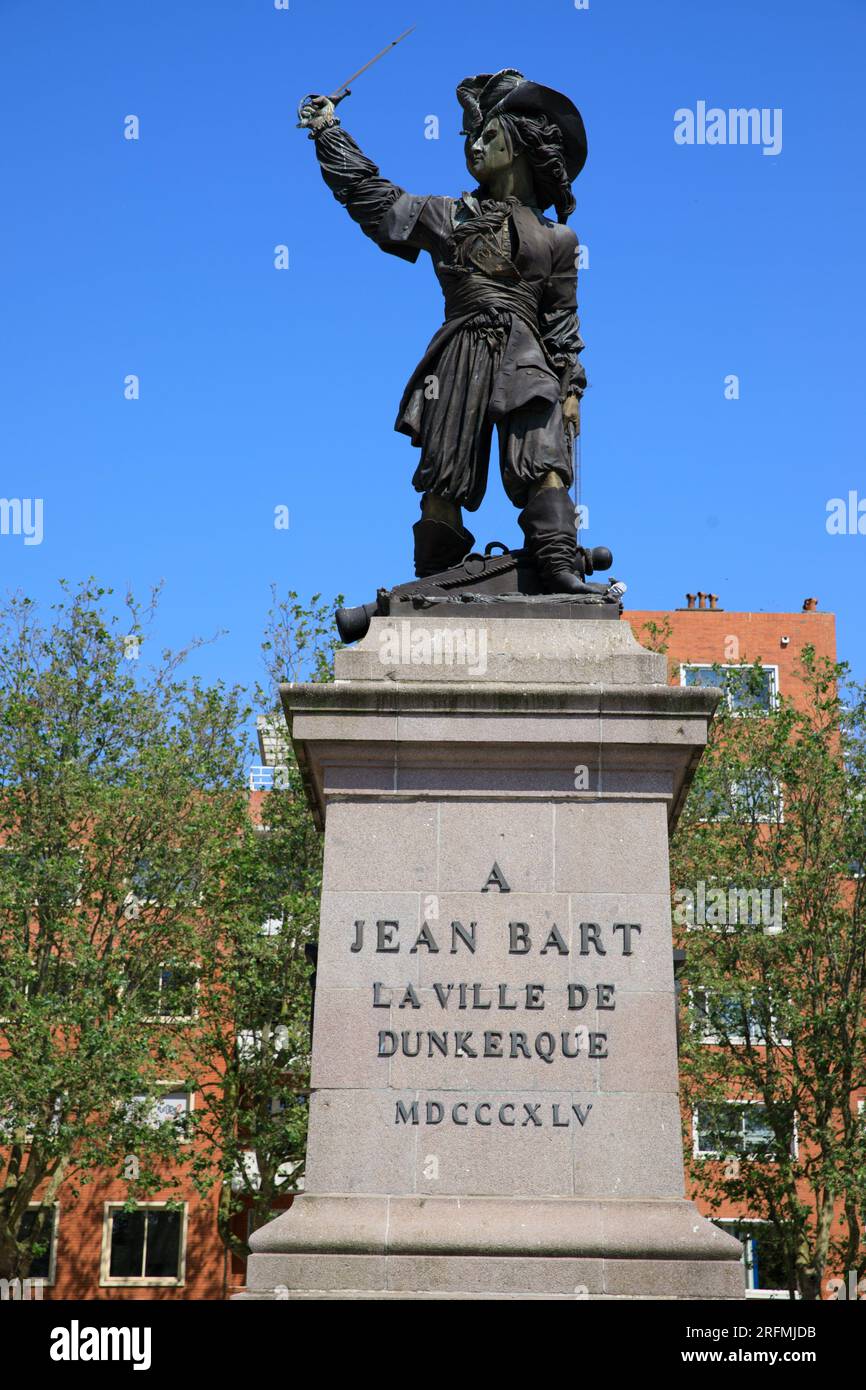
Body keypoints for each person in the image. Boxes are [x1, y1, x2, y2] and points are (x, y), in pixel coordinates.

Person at [298, 68, 590, 592]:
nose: (474, 146)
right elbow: (376, 202)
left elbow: (562, 324)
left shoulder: (559, 239)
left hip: (528, 358)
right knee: (444, 473)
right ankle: (432, 580)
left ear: (520, 145)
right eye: (469, 138)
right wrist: (329, 134)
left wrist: (571, 390)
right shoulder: (447, 216)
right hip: (458, 354)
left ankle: (558, 562)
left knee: (545, 458)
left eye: (487, 135)